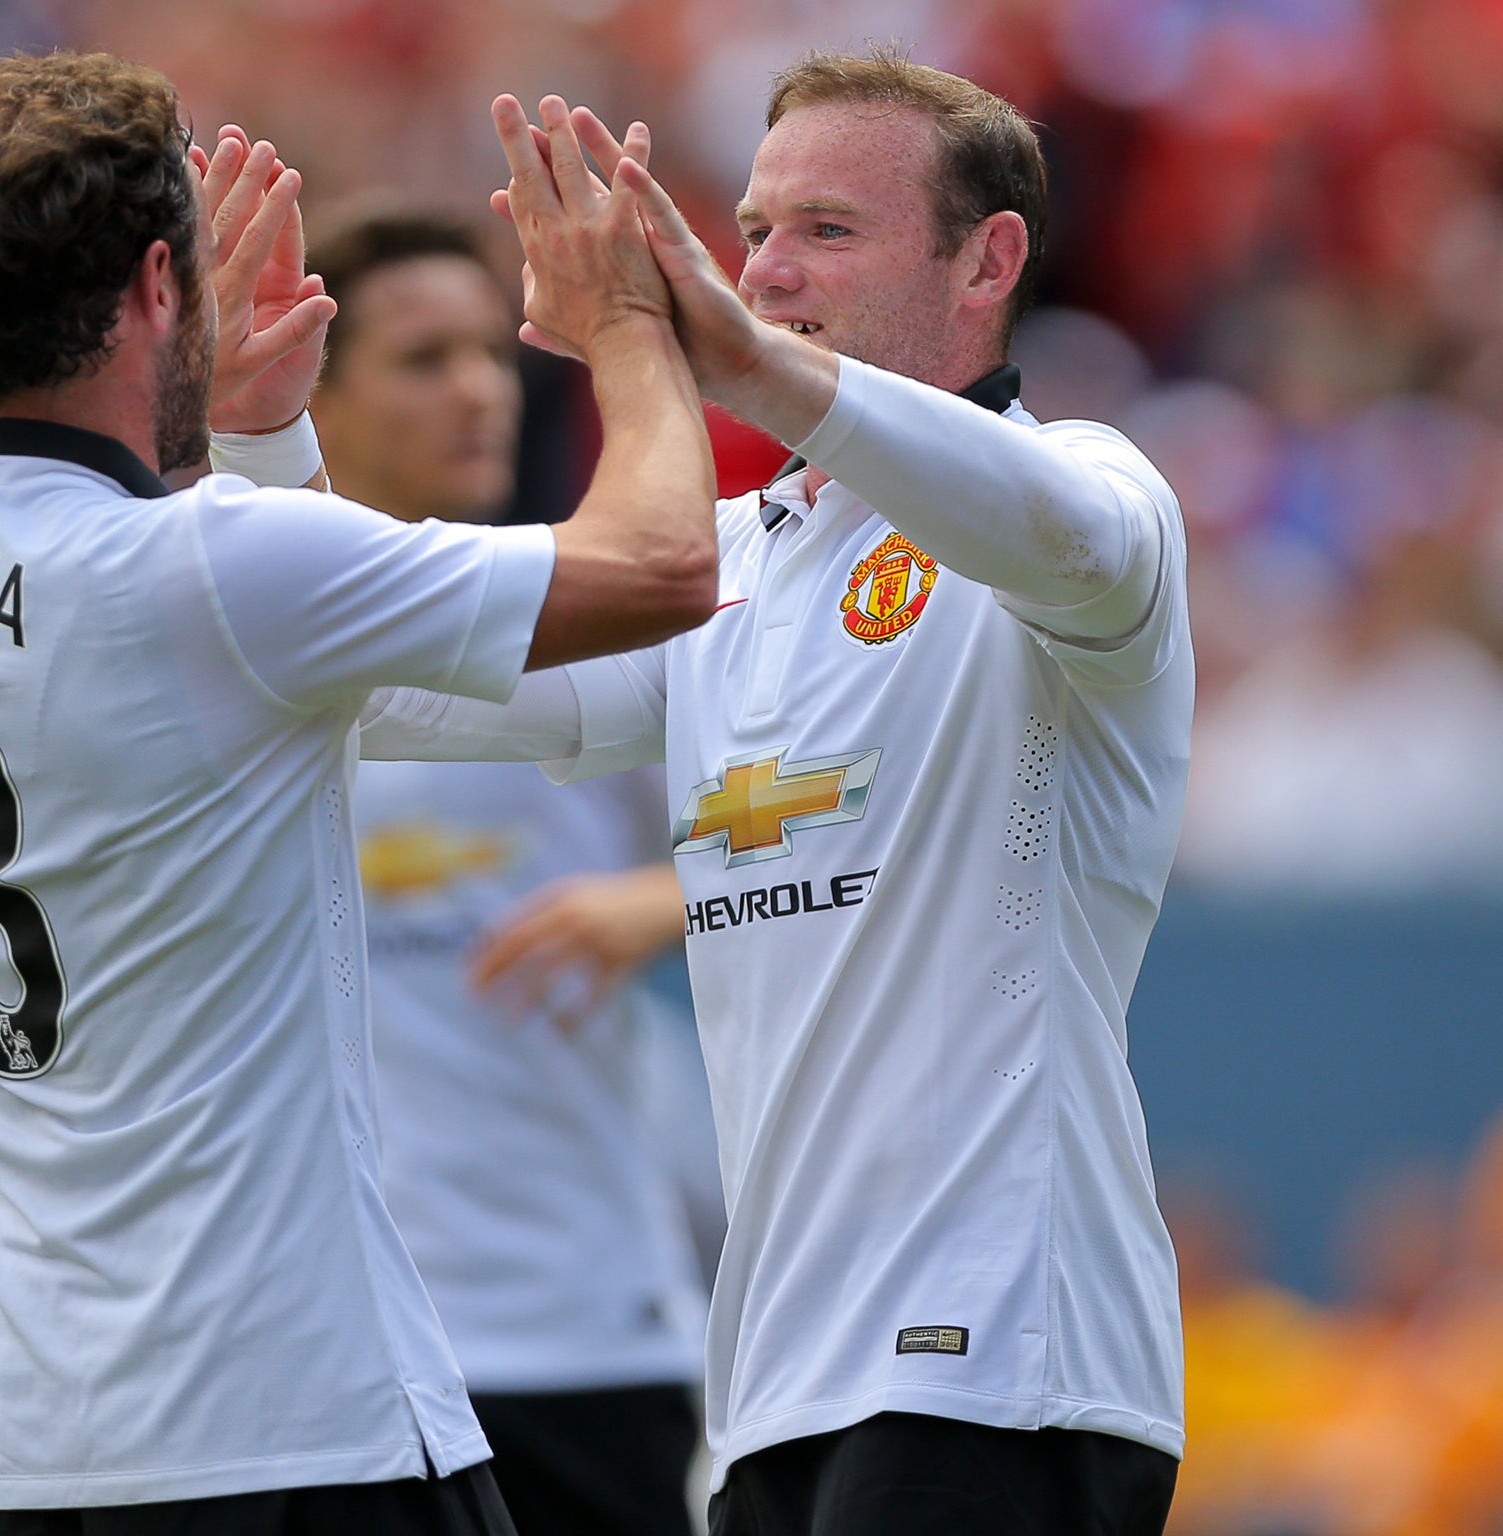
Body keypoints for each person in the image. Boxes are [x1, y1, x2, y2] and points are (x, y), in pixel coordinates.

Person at [0, 52, 718, 1536]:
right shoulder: (215, 568)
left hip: (44, 1440)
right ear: (163, 281)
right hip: (299, 1422)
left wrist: (242, 441)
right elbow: (667, 566)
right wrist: (626, 327)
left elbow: (162, 665)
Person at [363, 48, 1192, 1536]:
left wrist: (738, 365)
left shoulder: (1088, 487)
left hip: (1002, 1359)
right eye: (756, 229)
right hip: (774, 1389)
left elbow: (1066, 537)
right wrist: (252, 440)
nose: (765, 270)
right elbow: (388, 688)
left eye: (829, 230)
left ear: (987, 259)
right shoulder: (733, 565)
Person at [310, 206, 704, 1536]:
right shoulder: (229, 632)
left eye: (491, 353)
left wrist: (662, 898)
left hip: (581, 1320)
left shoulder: (590, 619)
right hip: (336, 1352)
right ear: (309, 388)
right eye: (424, 359)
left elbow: (813, 823)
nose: (478, 389)